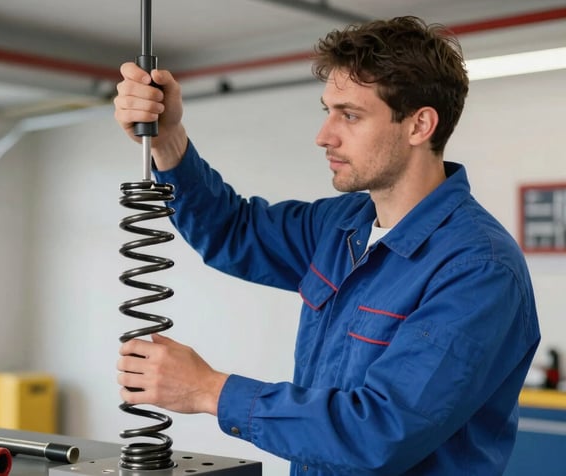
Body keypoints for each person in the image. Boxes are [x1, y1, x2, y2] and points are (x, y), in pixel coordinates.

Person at [114, 16, 540, 475]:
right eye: (328, 111)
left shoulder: (477, 268)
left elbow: (380, 431)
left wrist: (208, 391)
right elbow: (233, 232)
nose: (325, 136)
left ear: (419, 125)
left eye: (350, 115)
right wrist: (169, 139)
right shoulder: (341, 225)